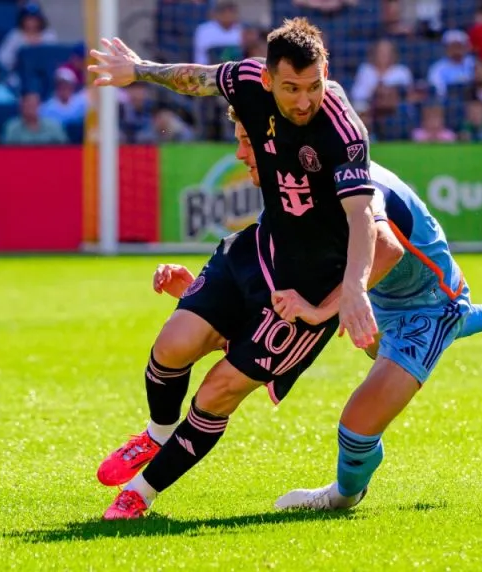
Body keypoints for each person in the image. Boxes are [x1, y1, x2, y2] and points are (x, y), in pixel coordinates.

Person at [150, 114, 482, 513]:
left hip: (426, 302)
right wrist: (202, 299)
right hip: (373, 291)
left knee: (356, 426)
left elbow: (388, 250)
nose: (240, 154)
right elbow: (273, 266)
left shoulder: (350, 184)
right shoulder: (297, 179)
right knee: (380, 349)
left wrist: (325, 310)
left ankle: (343, 494)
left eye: (247, 143)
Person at [87, 19, 384, 518]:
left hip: (308, 289)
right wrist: (138, 71)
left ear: (325, 72)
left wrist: (352, 290)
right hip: (258, 248)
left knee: (218, 390)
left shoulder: (344, 129)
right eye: (291, 88)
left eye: (314, 86)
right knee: (173, 344)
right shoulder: (247, 81)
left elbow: (363, 220)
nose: (305, 100)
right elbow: (196, 77)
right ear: (267, 80)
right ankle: (157, 435)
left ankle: (140, 494)